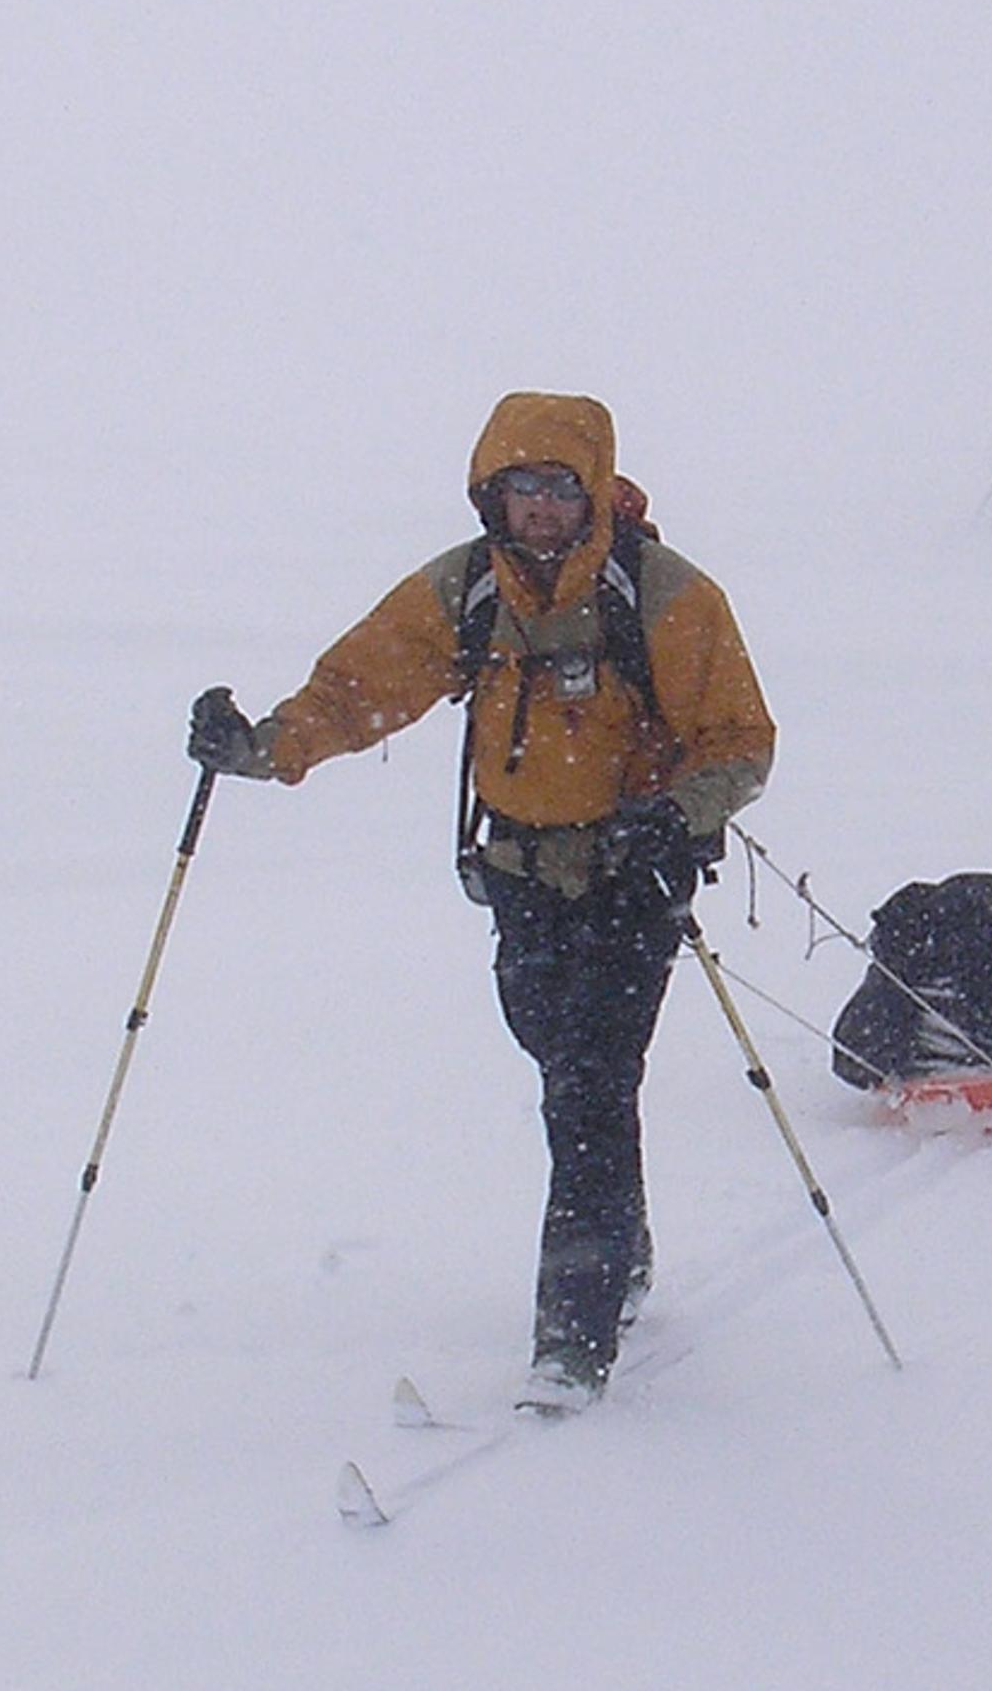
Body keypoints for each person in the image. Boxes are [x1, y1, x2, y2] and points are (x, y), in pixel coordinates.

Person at [185, 393, 777, 1413]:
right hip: (518, 886)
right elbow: (359, 689)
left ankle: (572, 1335)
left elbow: (740, 740)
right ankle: (622, 1250)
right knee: (566, 1069)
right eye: (519, 489)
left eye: (558, 488)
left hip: (630, 889)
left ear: (590, 493)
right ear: (489, 494)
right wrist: (263, 747)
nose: (539, 508)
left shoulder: (666, 596)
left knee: (586, 1089)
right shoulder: (465, 590)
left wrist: (671, 818)